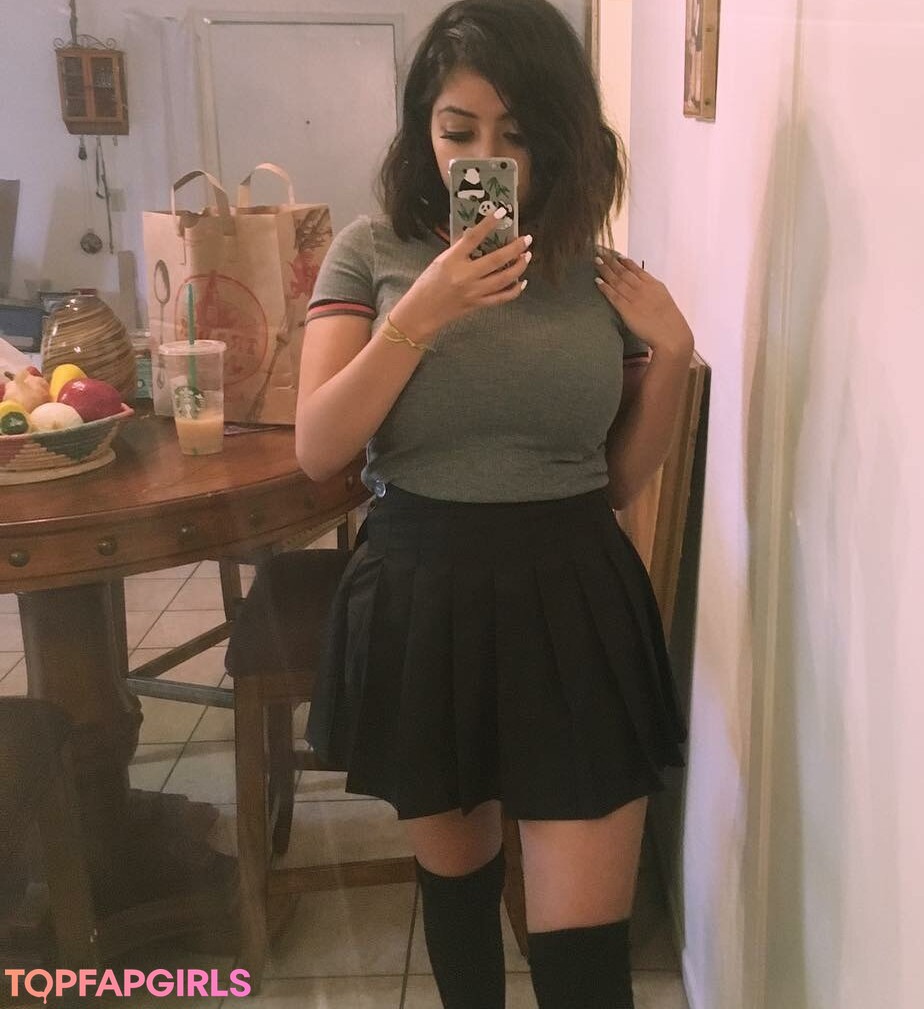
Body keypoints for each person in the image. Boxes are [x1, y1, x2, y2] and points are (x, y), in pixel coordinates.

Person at [297, 1, 693, 1006]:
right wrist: (422, 312)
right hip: (422, 594)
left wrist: (673, 356)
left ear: (561, 137)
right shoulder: (371, 252)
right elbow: (320, 447)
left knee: (584, 964)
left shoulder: (590, 269)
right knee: (461, 902)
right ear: (421, 131)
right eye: (458, 130)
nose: (484, 159)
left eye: (516, 135)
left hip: (575, 595)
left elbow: (617, 480)